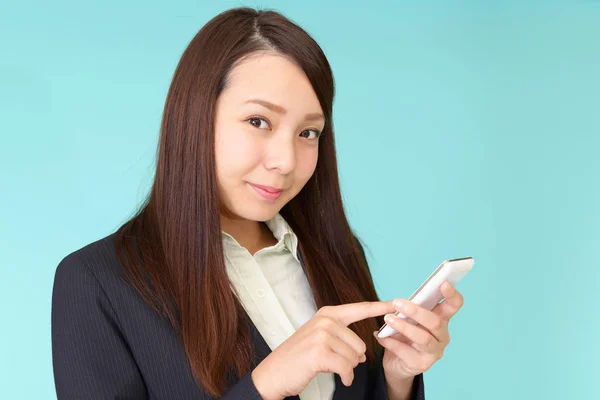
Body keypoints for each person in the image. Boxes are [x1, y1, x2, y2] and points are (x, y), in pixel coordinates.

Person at [51, 6, 464, 400]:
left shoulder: (335, 255)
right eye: (258, 122)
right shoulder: (96, 282)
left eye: (308, 132)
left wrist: (397, 377)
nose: (285, 161)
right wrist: (264, 384)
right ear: (196, 117)